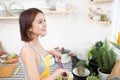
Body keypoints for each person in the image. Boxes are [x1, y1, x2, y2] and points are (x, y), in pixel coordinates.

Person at [19, 8, 70, 80]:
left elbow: (38, 55)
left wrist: (51, 52)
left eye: (44, 21)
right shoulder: (27, 51)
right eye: (40, 22)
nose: (45, 24)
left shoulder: (35, 43)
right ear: (29, 27)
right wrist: (57, 73)